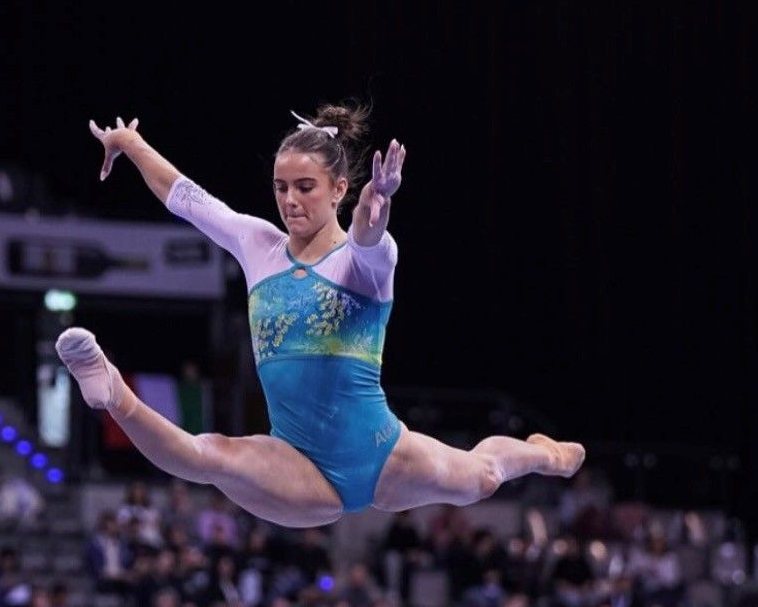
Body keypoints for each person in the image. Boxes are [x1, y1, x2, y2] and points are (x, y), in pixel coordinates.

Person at [57, 106, 585, 528]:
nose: (289, 200)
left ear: (339, 188)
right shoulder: (257, 245)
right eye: (281, 187)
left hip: (380, 454)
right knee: (210, 456)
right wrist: (131, 144)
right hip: (296, 461)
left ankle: (545, 456)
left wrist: (376, 207)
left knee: (485, 476)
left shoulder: (363, 264)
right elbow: (186, 197)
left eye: (304, 187)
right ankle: (111, 391)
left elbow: (368, 237)